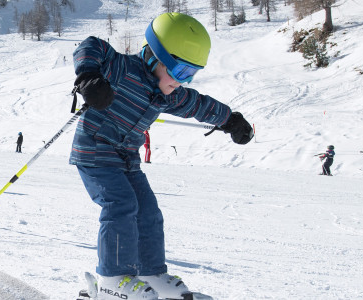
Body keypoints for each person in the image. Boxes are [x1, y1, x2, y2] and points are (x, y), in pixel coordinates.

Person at [70, 12, 253, 300]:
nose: (183, 81)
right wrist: (89, 76)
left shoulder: (167, 94)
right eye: (180, 72)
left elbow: (198, 104)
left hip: (127, 159)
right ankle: (112, 279)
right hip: (95, 152)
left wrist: (230, 120)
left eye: (191, 74)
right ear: (155, 57)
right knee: (121, 205)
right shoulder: (122, 69)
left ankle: (149, 273)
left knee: (149, 213)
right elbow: (91, 46)